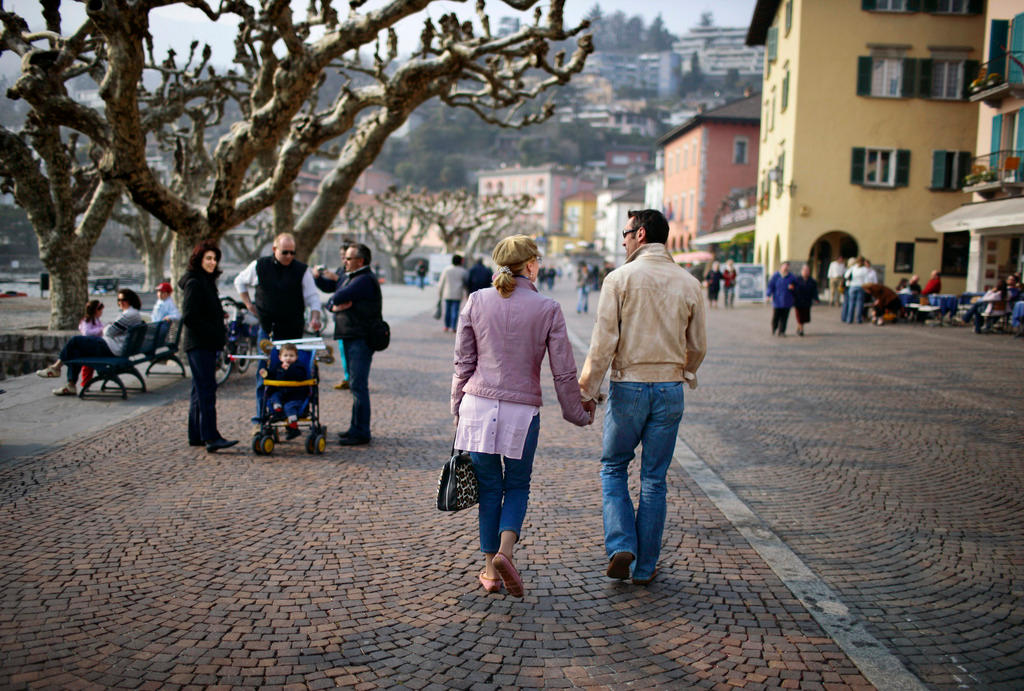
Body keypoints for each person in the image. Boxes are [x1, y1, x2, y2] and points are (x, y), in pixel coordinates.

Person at [452, 235, 592, 597]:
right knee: (516, 484)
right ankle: (505, 552)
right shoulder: (548, 307)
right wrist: (577, 412)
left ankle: (488, 569)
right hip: (521, 411)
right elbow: (563, 372)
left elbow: (463, 362)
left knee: (488, 489)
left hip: (477, 406)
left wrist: (457, 408)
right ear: (531, 265)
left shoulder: (477, 300)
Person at [578, 209, 707, 586]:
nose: (622, 240)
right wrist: (683, 371)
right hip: (669, 388)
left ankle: (621, 543)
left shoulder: (619, 279)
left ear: (641, 234)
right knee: (654, 479)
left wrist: (587, 390)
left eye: (625, 233)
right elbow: (697, 346)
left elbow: (603, 343)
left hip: (629, 385)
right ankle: (646, 567)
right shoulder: (688, 282)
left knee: (614, 467)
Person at [181, 242, 238, 453]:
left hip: (204, 343)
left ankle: (196, 434)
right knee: (207, 390)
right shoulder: (195, 283)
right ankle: (211, 436)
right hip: (199, 344)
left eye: (215, 259)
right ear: (199, 260)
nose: (212, 263)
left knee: (199, 390)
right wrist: (212, 330)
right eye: (208, 259)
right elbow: (189, 316)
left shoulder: (205, 282)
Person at [36, 289, 144, 396]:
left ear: (130, 300)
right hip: (114, 347)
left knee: (75, 340)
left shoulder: (130, 314)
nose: (120, 302)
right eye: (118, 300)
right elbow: (111, 330)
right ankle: (70, 384)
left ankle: (57, 368)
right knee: (76, 350)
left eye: (123, 299)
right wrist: (108, 327)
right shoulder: (132, 314)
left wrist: (107, 327)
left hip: (111, 348)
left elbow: (109, 332)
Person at [329, 243, 382, 446]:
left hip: (361, 338)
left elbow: (337, 296)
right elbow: (332, 300)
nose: (345, 261)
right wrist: (335, 307)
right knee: (354, 385)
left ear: (360, 261)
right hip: (351, 335)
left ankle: (361, 431)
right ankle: (355, 427)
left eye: (348, 258)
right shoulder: (351, 277)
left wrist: (335, 303)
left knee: (358, 386)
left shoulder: (364, 279)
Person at [233, 232, 322, 341]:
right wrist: (248, 304)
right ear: (275, 249)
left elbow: (313, 297)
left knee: (291, 358)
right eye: (285, 252)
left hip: (293, 328)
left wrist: (315, 317)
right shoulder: (260, 265)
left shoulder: (301, 270)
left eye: (292, 252)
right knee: (266, 358)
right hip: (267, 327)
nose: (289, 256)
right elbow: (239, 281)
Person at [312, 247, 351, 390]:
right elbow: (330, 288)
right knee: (344, 351)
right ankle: (348, 378)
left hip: (353, 322)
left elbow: (342, 288)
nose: (343, 259)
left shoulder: (356, 274)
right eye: (341, 256)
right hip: (340, 320)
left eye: (346, 256)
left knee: (354, 353)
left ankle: (353, 379)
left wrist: (338, 279)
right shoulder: (342, 270)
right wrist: (318, 278)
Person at [258, 342, 309, 440]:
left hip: (295, 395)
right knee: (273, 396)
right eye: (285, 355)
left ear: (296, 357)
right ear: (280, 357)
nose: (288, 358)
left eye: (291, 356)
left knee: (289, 407)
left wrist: (289, 369)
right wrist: (266, 373)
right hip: (281, 394)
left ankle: (293, 428)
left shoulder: (298, 367)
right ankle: (277, 409)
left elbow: (300, 376)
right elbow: (272, 375)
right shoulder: (278, 366)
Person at [77, 299, 105, 389]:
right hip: (88, 347)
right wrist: (101, 330)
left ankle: (87, 383)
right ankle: (85, 383)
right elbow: (87, 333)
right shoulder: (86, 321)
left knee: (89, 368)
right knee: (87, 367)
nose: (102, 313)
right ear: (96, 311)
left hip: (95, 346)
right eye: (101, 310)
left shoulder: (96, 320)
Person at [438, 254, 467, 333]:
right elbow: (465, 284)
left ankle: (446, 326)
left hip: (447, 293)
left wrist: (439, 293)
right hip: (457, 294)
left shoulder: (446, 270)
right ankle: (453, 327)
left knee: (447, 310)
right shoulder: (463, 271)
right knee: (455, 311)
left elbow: (441, 283)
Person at [766, 261, 797, 336]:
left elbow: (796, 287)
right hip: (777, 300)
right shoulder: (776, 276)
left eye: (787, 266)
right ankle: (774, 328)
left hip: (787, 300)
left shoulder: (791, 277)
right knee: (776, 316)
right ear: (781, 267)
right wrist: (768, 295)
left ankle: (782, 331)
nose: (786, 268)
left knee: (784, 317)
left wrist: (793, 288)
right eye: (784, 266)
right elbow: (771, 286)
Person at [792, 264, 819, 336]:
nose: (806, 272)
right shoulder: (796, 280)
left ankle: (799, 327)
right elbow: (792, 289)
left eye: (807, 270)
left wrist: (816, 298)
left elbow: (814, 291)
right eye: (805, 270)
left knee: (804, 317)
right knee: (799, 316)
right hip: (798, 301)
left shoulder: (812, 281)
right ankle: (801, 329)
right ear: (802, 271)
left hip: (807, 301)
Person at [842, 257, 870, 324]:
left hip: (852, 286)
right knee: (859, 304)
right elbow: (867, 280)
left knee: (851, 303)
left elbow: (846, 276)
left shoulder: (853, 268)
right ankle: (858, 319)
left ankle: (849, 319)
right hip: (861, 286)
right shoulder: (865, 269)